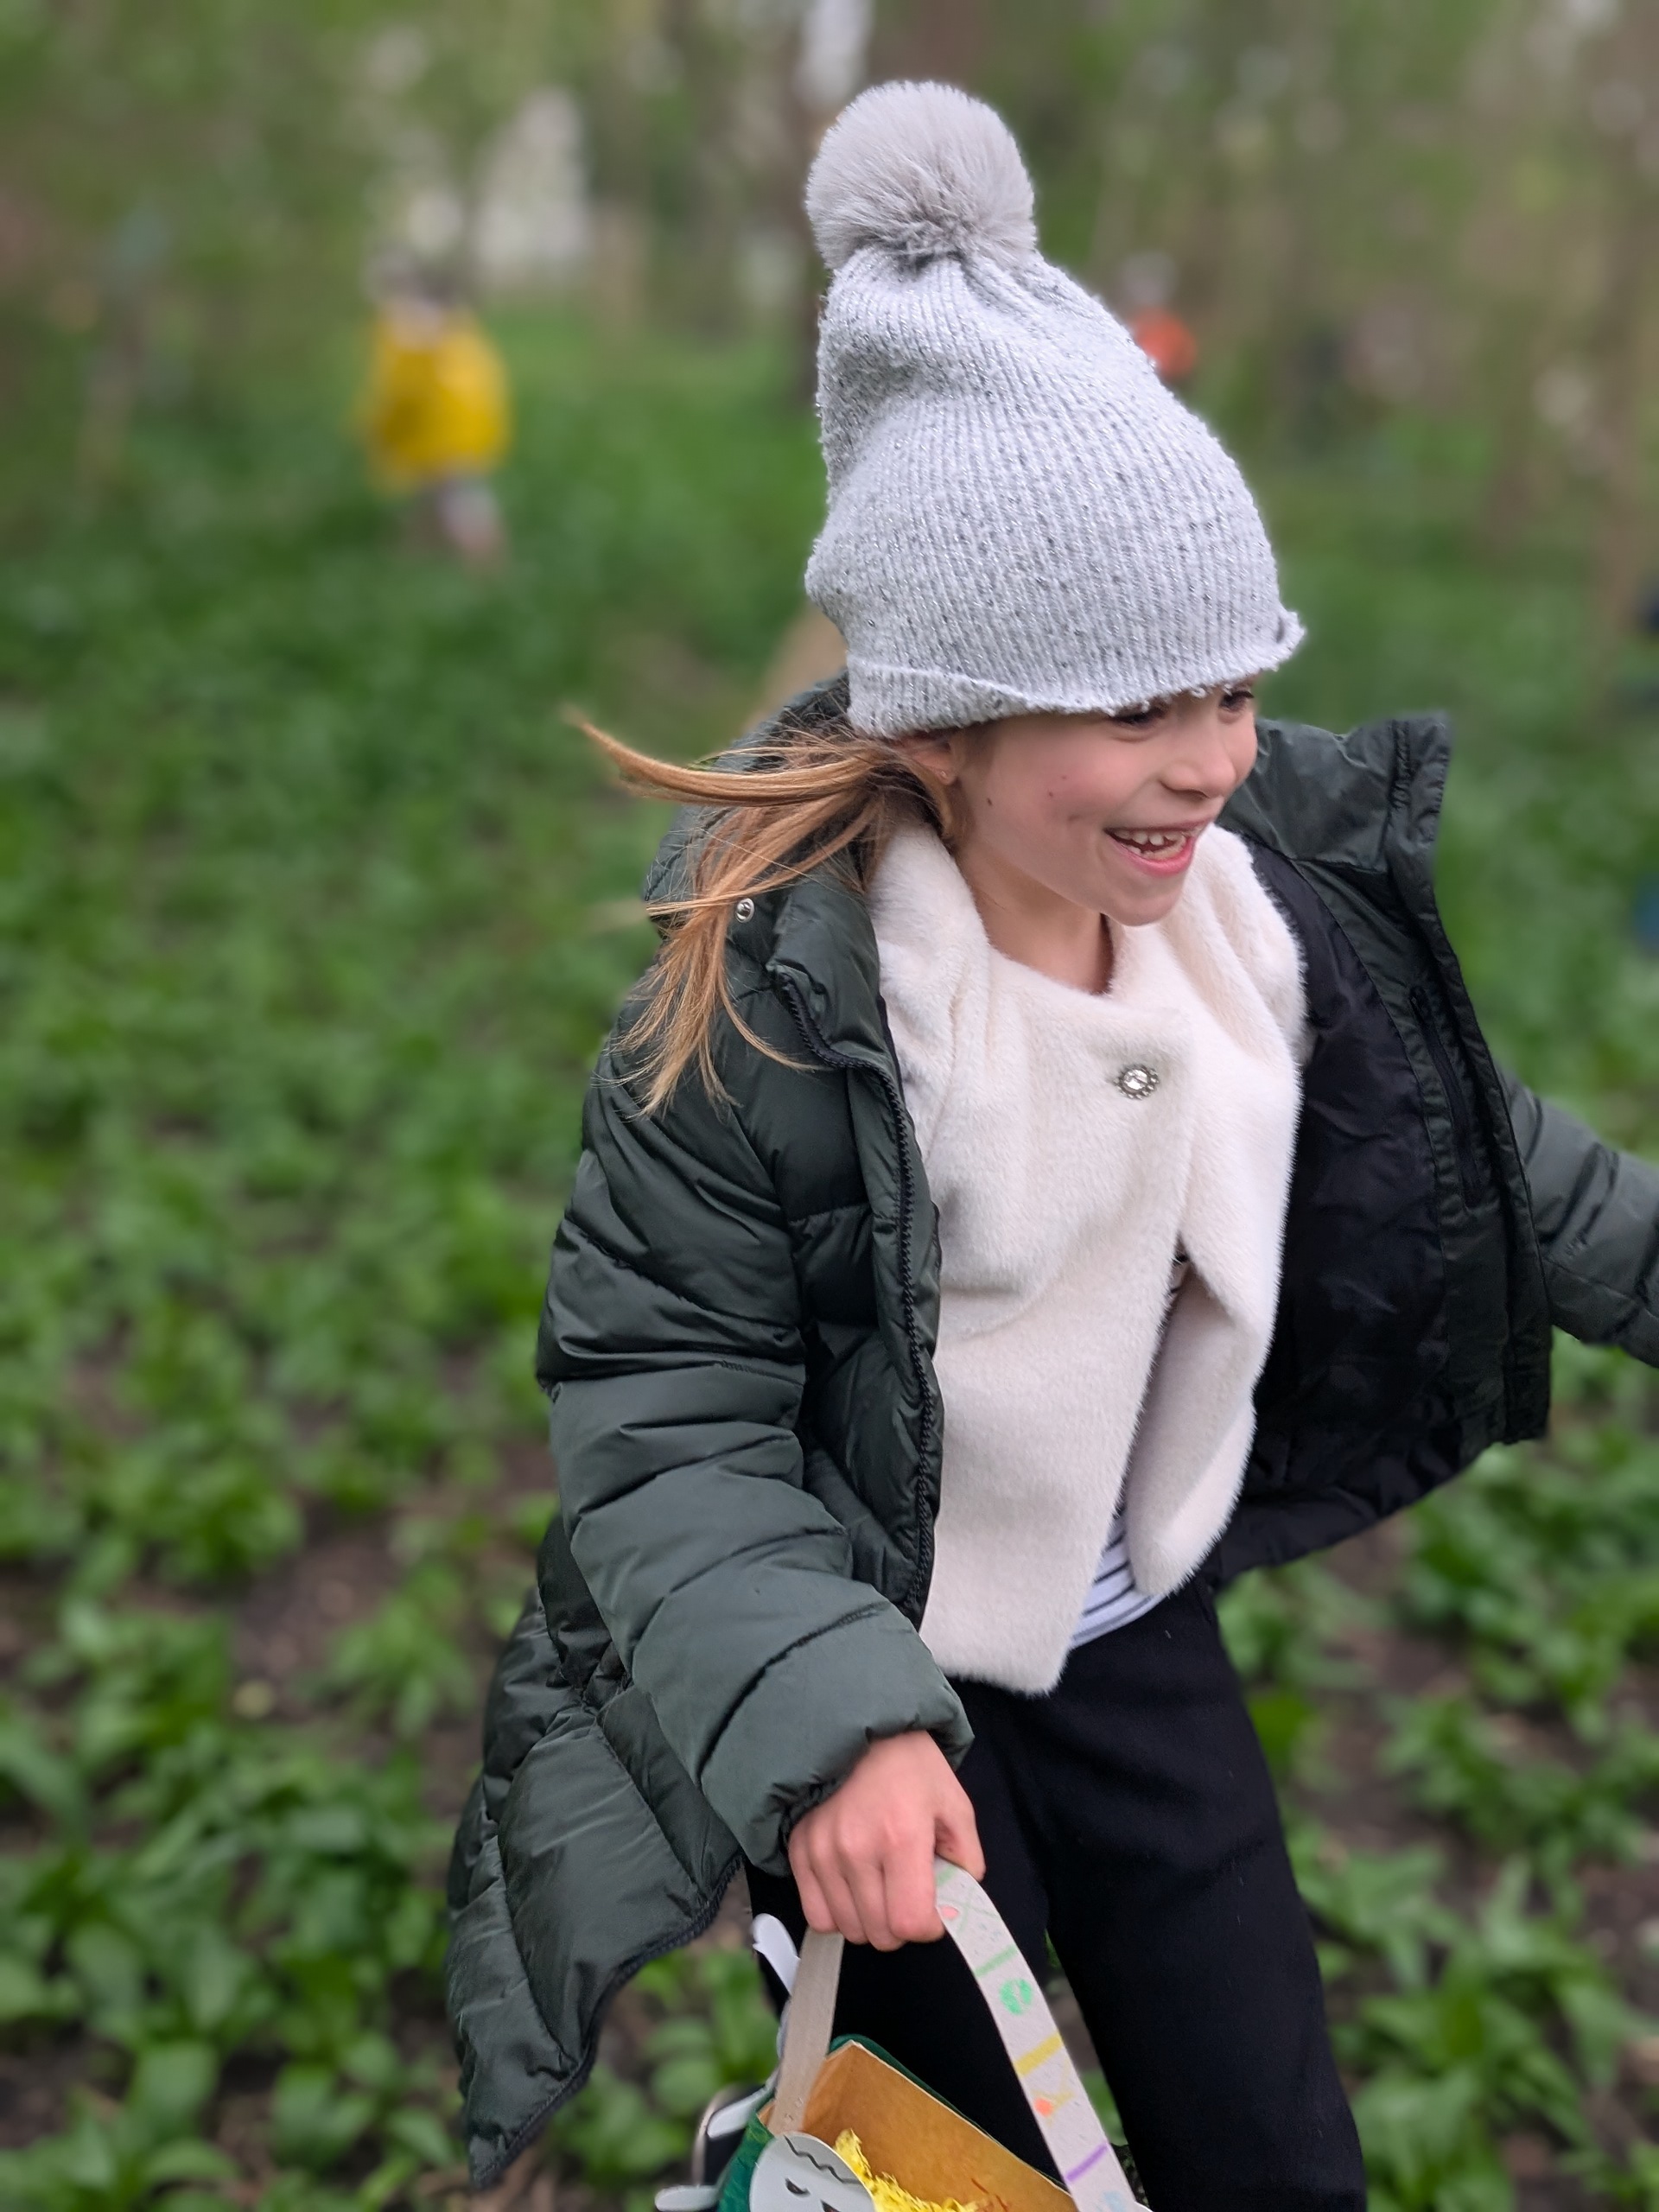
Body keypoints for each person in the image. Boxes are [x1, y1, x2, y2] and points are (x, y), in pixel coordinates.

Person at [446, 83, 1659, 2211]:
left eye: (1234, 687)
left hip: (1129, 1637)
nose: (1207, 760)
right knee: (960, 2170)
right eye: (1132, 707)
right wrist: (829, 1721)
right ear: (940, 717)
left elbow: (1503, 1165)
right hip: (868, 1675)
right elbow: (667, 1401)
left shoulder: (1248, 928)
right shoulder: (772, 1008)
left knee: (1268, 2136)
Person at [358, 266, 511, 566]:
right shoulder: (462, 337)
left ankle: (484, 561)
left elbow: (403, 393)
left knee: (459, 499)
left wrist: (379, 428)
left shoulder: (415, 339)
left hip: (442, 437)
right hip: (460, 434)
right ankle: (420, 551)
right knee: (439, 496)